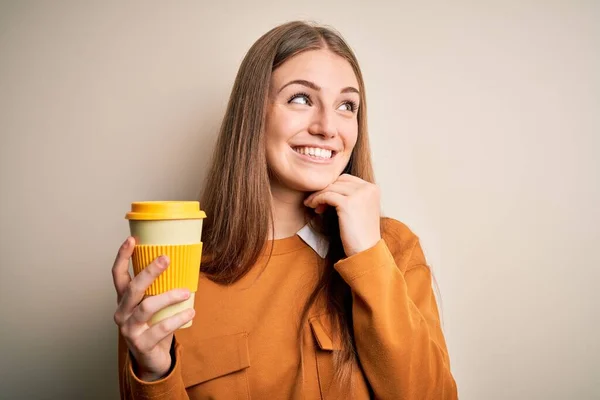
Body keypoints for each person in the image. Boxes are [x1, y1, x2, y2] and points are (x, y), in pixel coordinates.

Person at [112, 20, 458, 399]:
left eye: (347, 105)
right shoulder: (175, 272)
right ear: (252, 113)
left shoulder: (392, 248)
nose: (328, 127)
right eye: (301, 99)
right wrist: (153, 370)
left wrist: (368, 256)